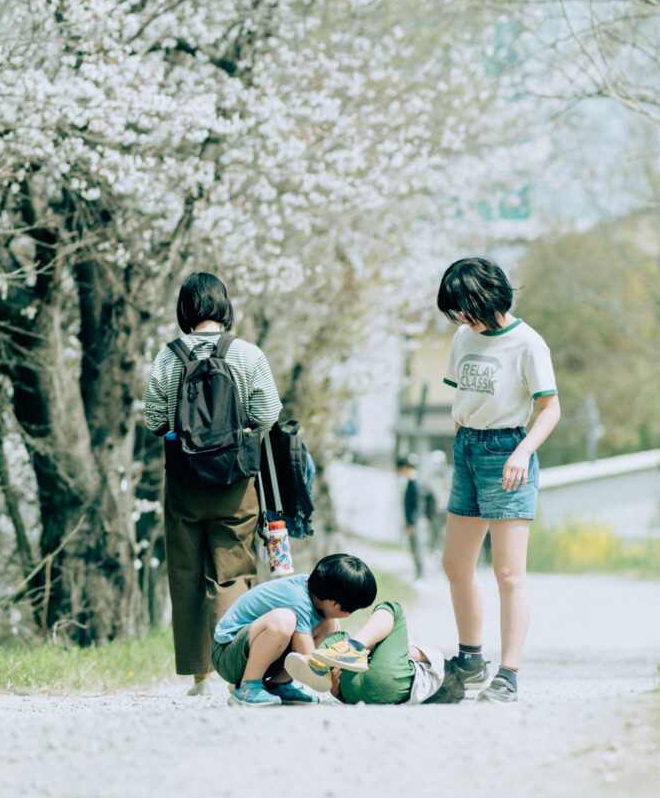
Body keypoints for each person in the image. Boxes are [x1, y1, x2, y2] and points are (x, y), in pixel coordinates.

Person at [144, 271, 283, 695]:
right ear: (223, 307)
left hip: (184, 481)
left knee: (186, 574)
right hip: (235, 482)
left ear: (185, 309)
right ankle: (233, 671)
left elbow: (154, 420)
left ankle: (200, 676)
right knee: (231, 574)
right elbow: (268, 415)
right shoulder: (247, 354)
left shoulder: (168, 358)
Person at [433, 257, 561, 703]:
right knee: (455, 566)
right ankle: (470, 659)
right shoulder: (463, 337)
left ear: (487, 298)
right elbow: (464, 399)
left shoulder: (528, 343)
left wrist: (523, 451)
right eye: (457, 313)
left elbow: (550, 409)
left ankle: (508, 673)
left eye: (466, 308)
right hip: (467, 449)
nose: (462, 319)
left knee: (509, 573)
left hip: (508, 453)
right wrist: (461, 446)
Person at [210, 553, 377, 706]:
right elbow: (309, 659)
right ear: (334, 603)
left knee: (328, 624)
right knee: (284, 620)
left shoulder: (314, 591)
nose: (349, 614)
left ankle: (277, 685)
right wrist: (333, 676)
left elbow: (324, 645)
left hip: (253, 652)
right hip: (228, 655)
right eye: (350, 610)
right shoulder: (297, 599)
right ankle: (247, 687)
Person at [285, 597, 466, 705]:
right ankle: (323, 667)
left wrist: (366, 646)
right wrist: (335, 690)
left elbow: (408, 652)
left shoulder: (438, 662)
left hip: (390, 679)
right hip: (355, 694)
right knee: (343, 641)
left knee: (393, 608)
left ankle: (321, 663)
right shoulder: (423, 696)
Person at [398, 458, 425, 579]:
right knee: (415, 547)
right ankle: (419, 572)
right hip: (413, 521)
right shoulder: (411, 481)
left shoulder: (414, 481)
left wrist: (412, 522)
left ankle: (420, 574)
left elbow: (417, 504)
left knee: (417, 547)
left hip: (415, 522)